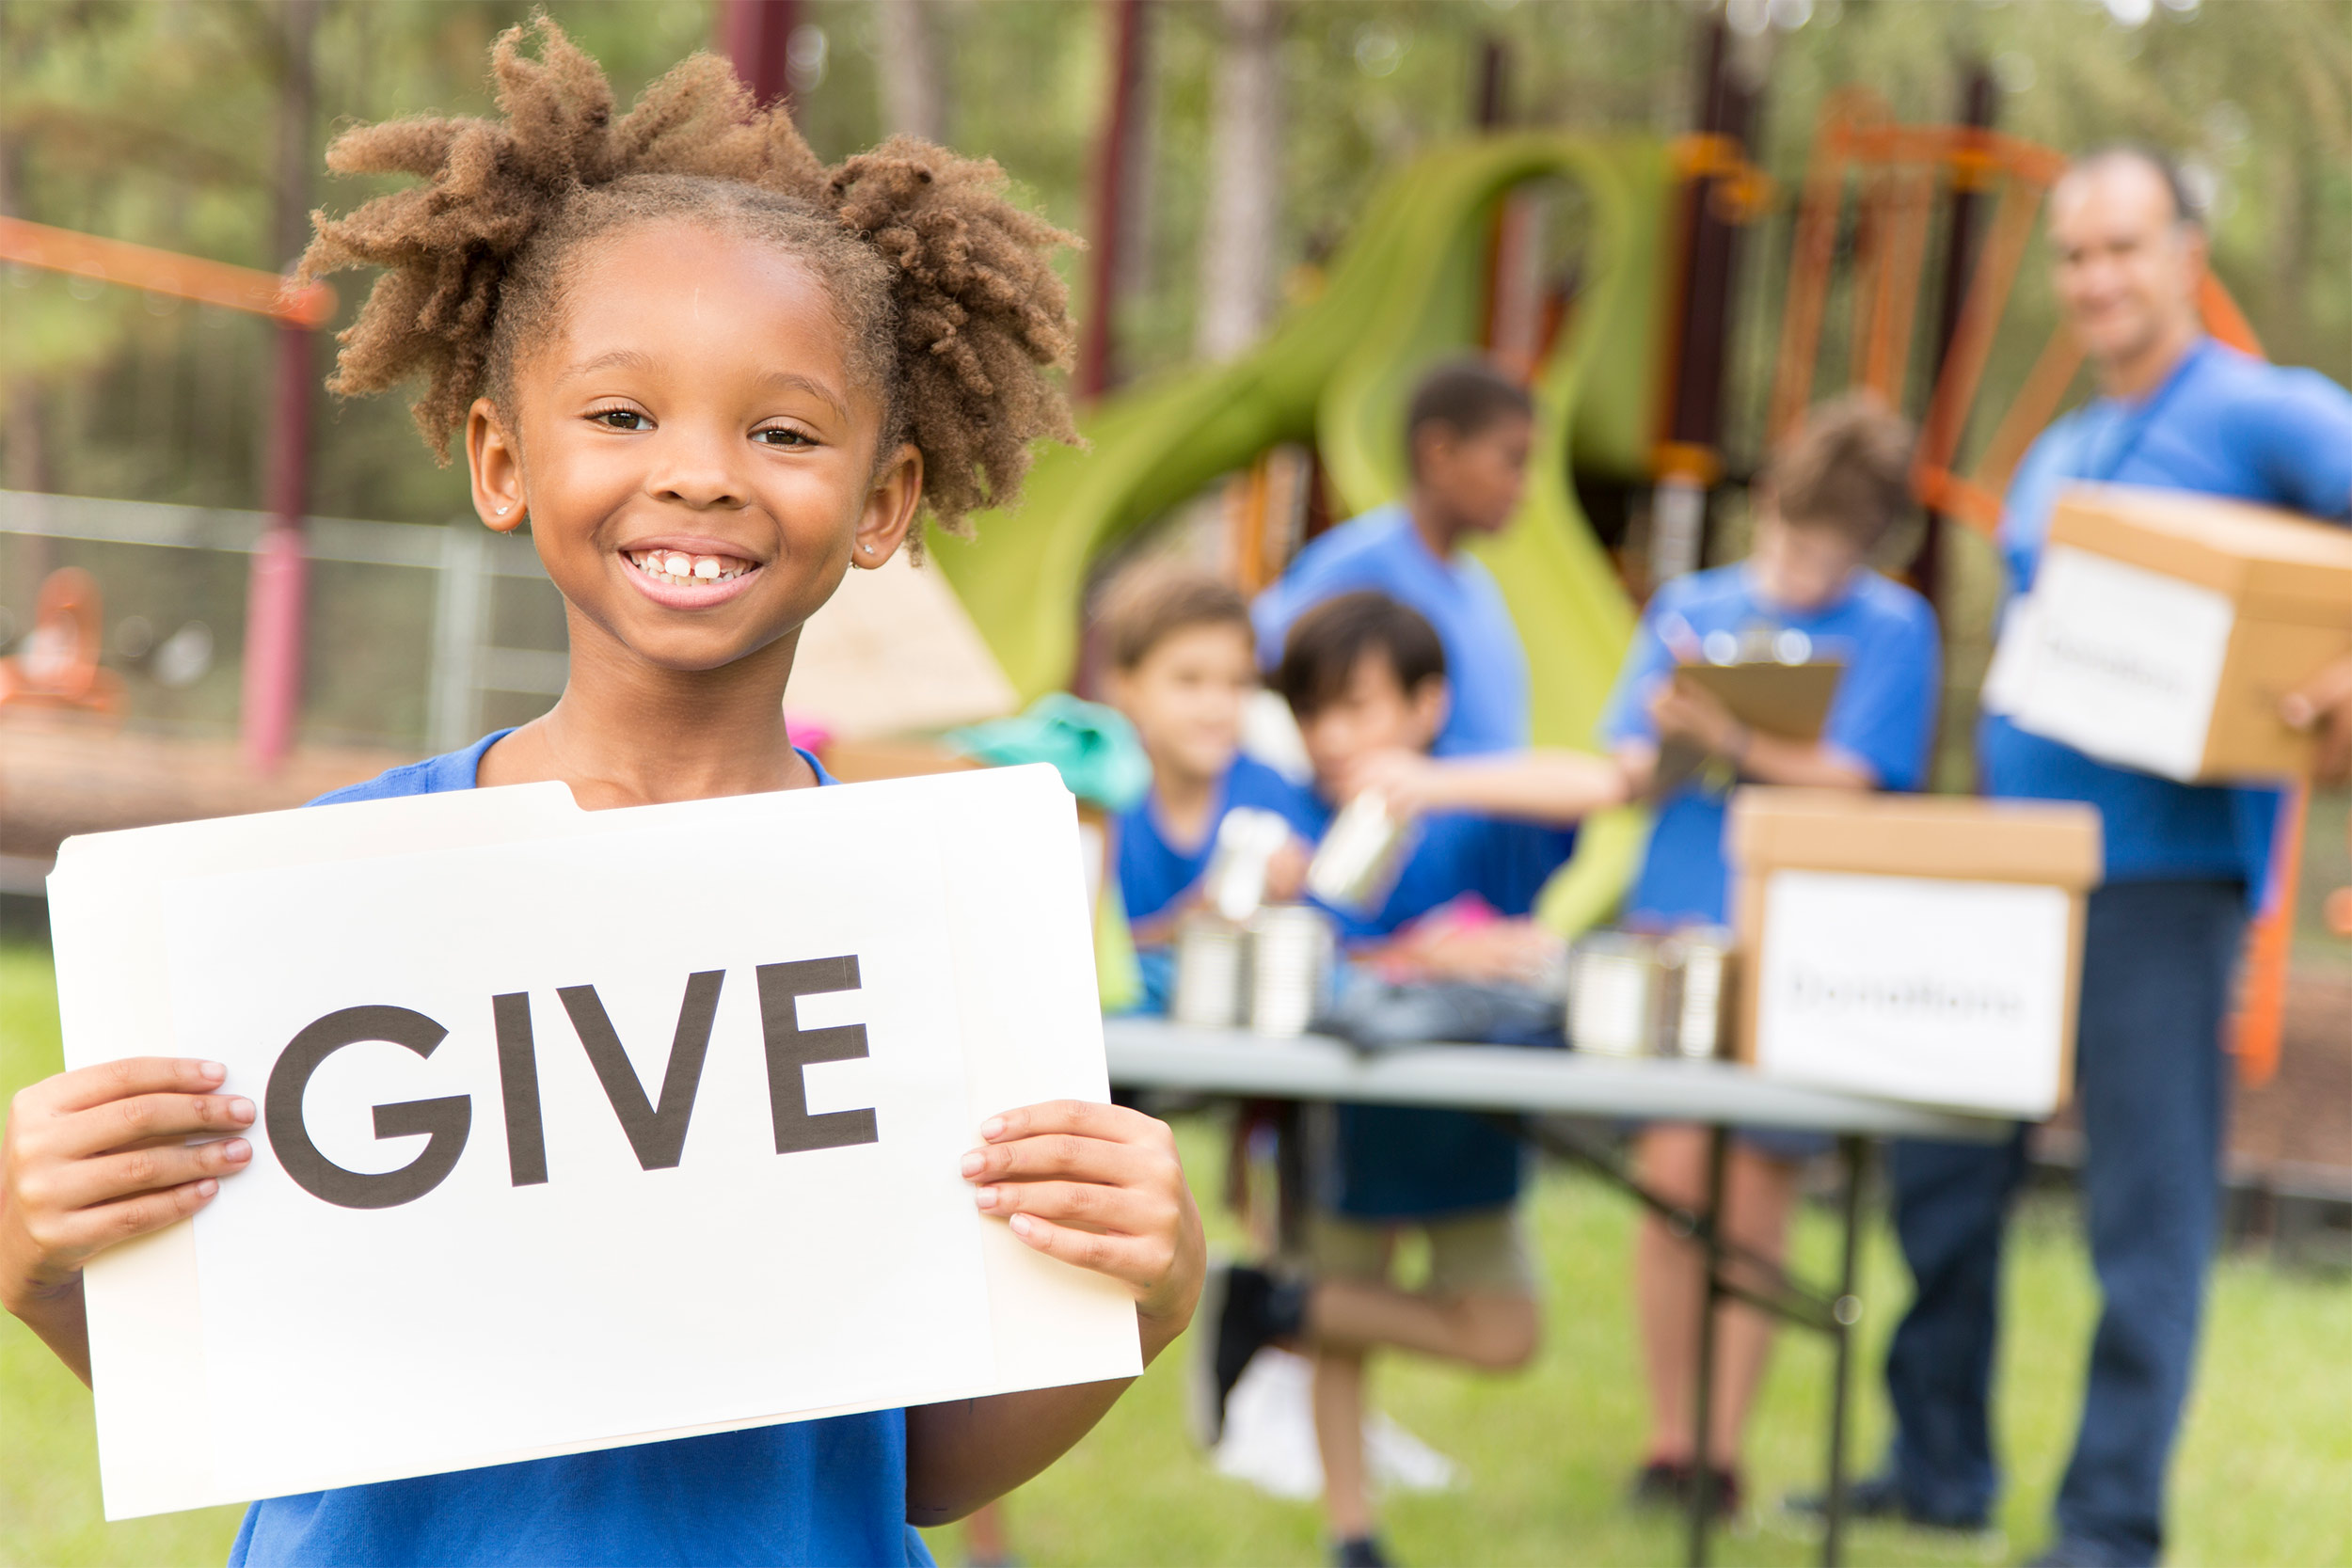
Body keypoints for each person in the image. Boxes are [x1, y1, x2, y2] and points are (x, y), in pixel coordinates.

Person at [0, 24, 1205, 1567]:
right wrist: (43, 1265)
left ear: (885, 499)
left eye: (780, 430)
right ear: (503, 460)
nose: (699, 472)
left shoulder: (927, 920)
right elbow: (261, 1382)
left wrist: (1142, 1299)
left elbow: (919, 1469)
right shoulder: (338, 892)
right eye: (624, 416)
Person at [1839, 147, 2352, 1568]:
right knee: (1939, 1169)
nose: (2097, 279)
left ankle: (2108, 1523)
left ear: (2189, 251)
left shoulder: (2265, 416)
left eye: (2124, 247)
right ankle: (1936, 1463)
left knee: (2144, 1205)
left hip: (2165, 878)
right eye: (2074, 256)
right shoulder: (2063, 448)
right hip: (2019, 867)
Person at [1350, 396, 1942, 1517]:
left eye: (1826, 554)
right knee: (1676, 1175)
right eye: (1788, 539)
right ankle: (1669, 1440)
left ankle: (1723, 1448)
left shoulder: (1895, 628)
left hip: (1801, 932)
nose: (1800, 568)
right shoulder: (1695, 607)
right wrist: (1682, 739)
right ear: (1765, 509)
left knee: (1758, 1189)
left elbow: (1865, 780)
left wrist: (1741, 741)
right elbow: (1627, 772)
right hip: (1677, 915)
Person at [1196, 593, 1574, 1568]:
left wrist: (1439, 784)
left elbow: (1599, 785)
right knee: (1346, 1325)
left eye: (1359, 707)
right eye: (1314, 710)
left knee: (1504, 1331)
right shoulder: (1291, 821)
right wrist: (1417, 950)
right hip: (1345, 1127)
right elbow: (1277, 954)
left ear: (1427, 704)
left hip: (1467, 1130)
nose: (1332, 736)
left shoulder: (1469, 815)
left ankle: (1274, 1303)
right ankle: (1352, 1532)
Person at [1251, 359, 1535, 757]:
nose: (1524, 488)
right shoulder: (1359, 563)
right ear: (1439, 452)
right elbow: (1257, 662)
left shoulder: (1477, 586)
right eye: (1512, 461)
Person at [1099, 566, 1318, 977]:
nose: (1216, 708)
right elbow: (1078, 959)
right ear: (1125, 688)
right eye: (1188, 681)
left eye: (1237, 683)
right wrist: (1186, 925)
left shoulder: (1274, 794)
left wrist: (1291, 900)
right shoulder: (1097, 801)